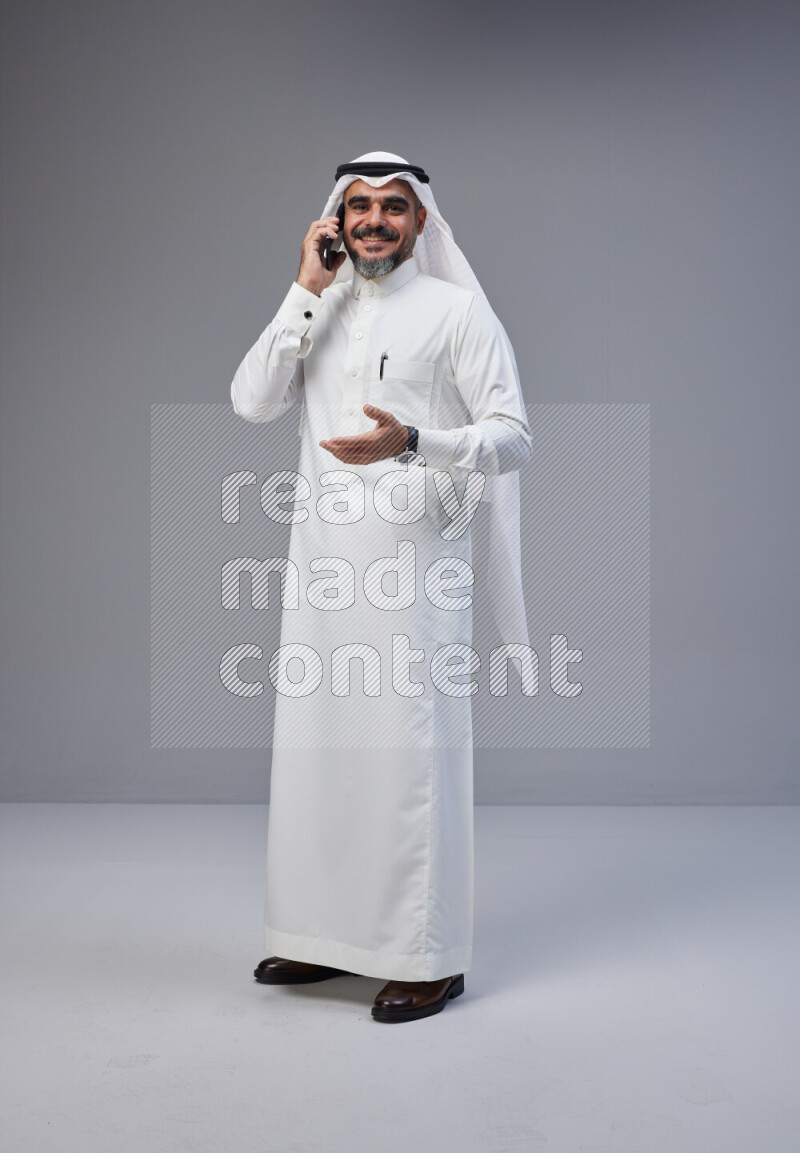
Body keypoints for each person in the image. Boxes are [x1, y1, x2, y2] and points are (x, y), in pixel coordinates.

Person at [230, 151, 532, 1023]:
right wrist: (301, 288)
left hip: (414, 570)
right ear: (335, 219)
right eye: (357, 206)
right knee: (318, 754)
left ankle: (427, 957)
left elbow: (513, 436)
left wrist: (415, 443)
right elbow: (251, 401)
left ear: (421, 221)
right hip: (321, 572)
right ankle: (323, 938)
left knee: (409, 762)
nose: (373, 222)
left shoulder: (457, 312)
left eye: (392, 208)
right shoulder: (314, 308)